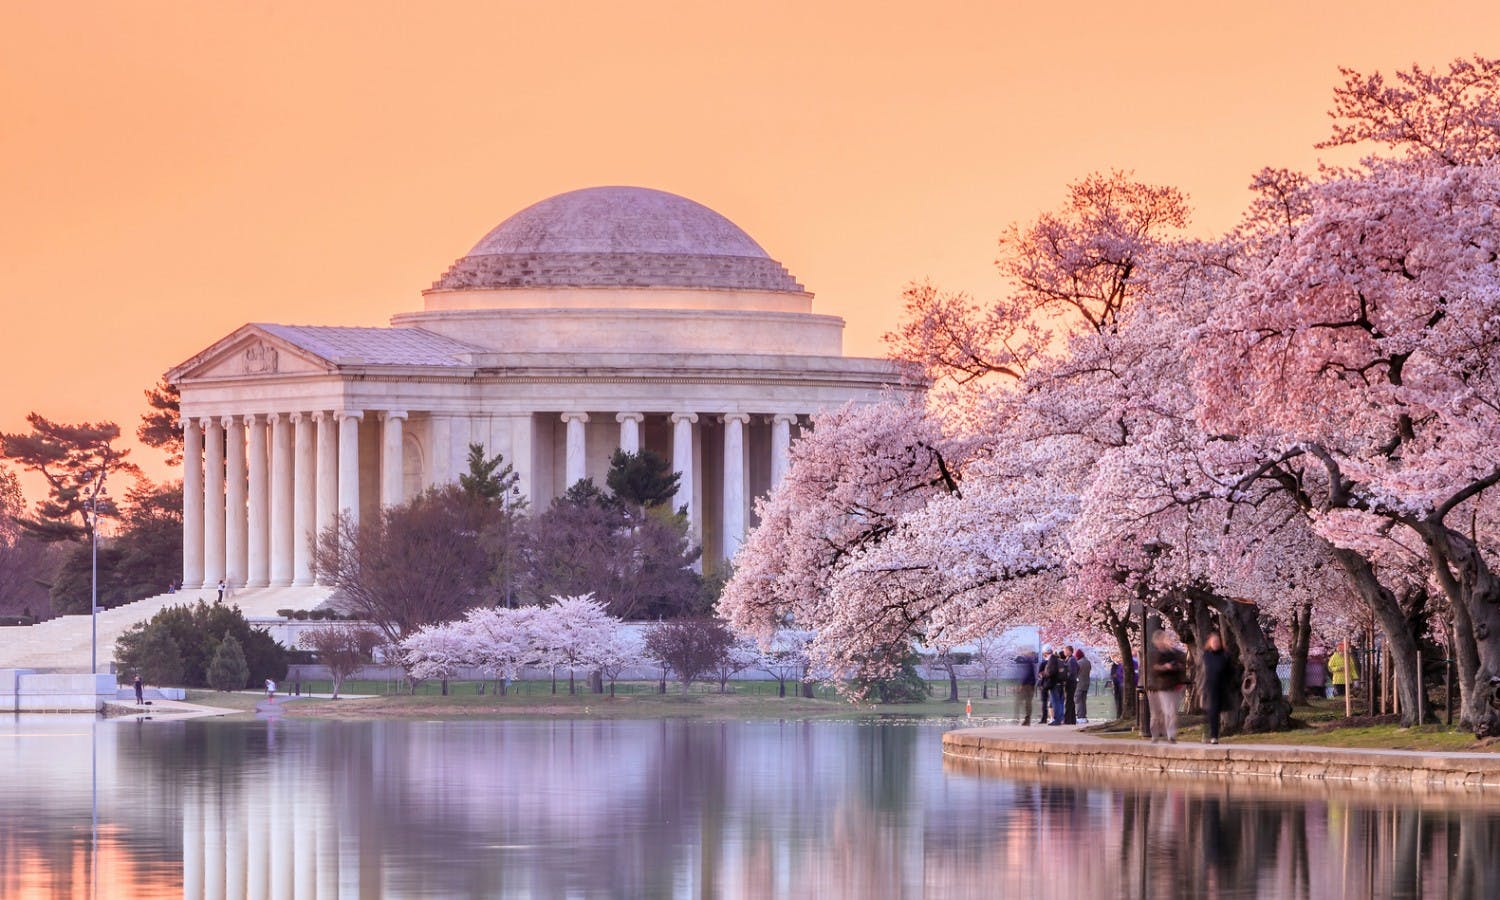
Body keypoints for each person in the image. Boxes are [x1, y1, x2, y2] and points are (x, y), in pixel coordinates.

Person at [1147, 630, 1188, 742]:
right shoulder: (1154, 654)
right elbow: (1153, 669)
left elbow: (1183, 666)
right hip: (1161, 686)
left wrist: (1177, 668)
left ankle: (1171, 734)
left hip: (1174, 685)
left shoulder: (1175, 653)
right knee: (1161, 712)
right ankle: (1157, 734)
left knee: (1172, 711)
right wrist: (1165, 667)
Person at [1200, 633, 1230, 744]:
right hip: (1208, 687)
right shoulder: (1206, 655)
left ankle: (1214, 735)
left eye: (1217, 642)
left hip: (1220, 687)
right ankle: (1209, 734)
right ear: (1209, 643)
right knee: (1210, 711)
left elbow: (1230, 671)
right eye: (1213, 642)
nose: (1216, 644)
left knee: (1215, 711)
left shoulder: (1224, 655)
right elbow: (1201, 670)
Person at [1013, 649, 1038, 725]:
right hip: (1029, 685)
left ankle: (1020, 719)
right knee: (1026, 703)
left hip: (1027, 686)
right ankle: (1024, 719)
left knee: (1021, 702)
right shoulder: (1029, 662)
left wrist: (1021, 684)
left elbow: (1025, 674)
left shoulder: (1027, 662)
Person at [1046, 650, 1067, 725]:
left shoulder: (1053, 662)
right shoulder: (1062, 663)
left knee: (1055, 702)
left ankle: (1057, 719)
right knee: (1060, 702)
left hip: (1054, 684)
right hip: (1061, 684)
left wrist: (1046, 675)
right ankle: (1061, 718)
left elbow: (1050, 673)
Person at [1073, 648, 1092, 724]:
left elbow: (1075, 672)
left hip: (1080, 683)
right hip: (1086, 683)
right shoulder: (1088, 662)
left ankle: (1080, 716)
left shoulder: (1079, 663)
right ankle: (1083, 716)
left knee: (1078, 700)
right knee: (1083, 700)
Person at [1062, 645, 1078, 724]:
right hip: (1071, 682)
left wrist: (1065, 678)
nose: (1064, 652)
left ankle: (1068, 719)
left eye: (1065, 650)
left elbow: (1071, 672)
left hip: (1071, 682)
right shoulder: (1069, 659)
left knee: (1069, 701)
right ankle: (1071, 719)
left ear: (1069, 651)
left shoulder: (1072, 660)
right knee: (1070, 701)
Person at [1037, 648, 1052, 725]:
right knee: (1052, 701)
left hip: (1043, 684)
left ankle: (1044, 718)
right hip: (1051, 684)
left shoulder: (1043, 663)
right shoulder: (1053, 662)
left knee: (1044, 701)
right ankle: (1052, 717)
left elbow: (1039, 675)